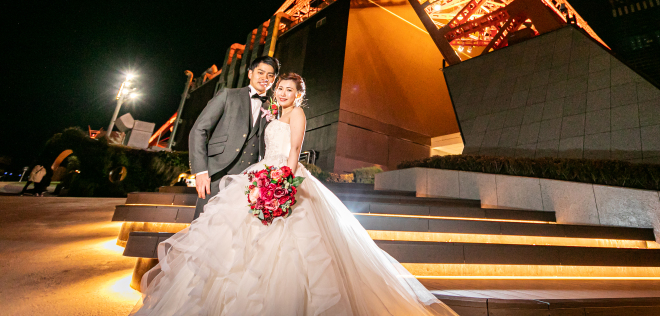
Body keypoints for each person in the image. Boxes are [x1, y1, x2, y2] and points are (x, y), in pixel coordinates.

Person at [131, 73, 456, 316]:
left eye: (289, 89)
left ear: (298, 95)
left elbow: (295, 150)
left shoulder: (297, 114)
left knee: (292, 244)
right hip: (261, 172)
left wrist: (283, 183)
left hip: (282, 175)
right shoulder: (274, 115)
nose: (283, 93)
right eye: (280, 88)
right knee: (236, 239)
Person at [189, 55, 279, 219]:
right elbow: (199, 129)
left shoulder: (272, 109)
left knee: (234, 229)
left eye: (270, 75)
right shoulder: (228, 95)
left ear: (273, 80)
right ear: (250, 73)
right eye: (260, 72)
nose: (265, 78)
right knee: (205, 225)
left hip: (249, 181)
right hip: (217, 174)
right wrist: (201, 171)